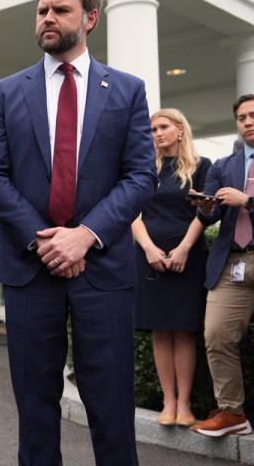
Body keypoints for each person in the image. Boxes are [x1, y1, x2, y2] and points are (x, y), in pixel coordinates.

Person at [0, 0, 157, 465]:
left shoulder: (126, 90)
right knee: (35, 406)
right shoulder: (7, 91)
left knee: (112, 404)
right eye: (42, 11)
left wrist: (84, 236)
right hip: (31, 270)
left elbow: (141, 176)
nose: (48, 18)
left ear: (90, 18)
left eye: (61, 10)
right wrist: (48, 243)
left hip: (104, 272)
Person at [132, 109, 210, 427]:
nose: (156, 133)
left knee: (184, 331)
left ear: (180, 129)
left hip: (188, 257)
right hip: (148, 257)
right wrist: (149, 248)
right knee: (161, 332)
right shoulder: (143, 169)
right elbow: (132, 213)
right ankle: (168, 402)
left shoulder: (202, 166)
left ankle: (185, 405)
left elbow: (205, 213)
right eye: (152, 129)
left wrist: (183, 250)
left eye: (163, 127)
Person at [189, 93, 254, 437]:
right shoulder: (222, 165)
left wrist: (248, 201)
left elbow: (246, 203)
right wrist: (204, 206)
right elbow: (210, 214)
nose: (248, 121)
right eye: (242, 117)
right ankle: (232, 413)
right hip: (232, 261)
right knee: (216, 335)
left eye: (253, 115)